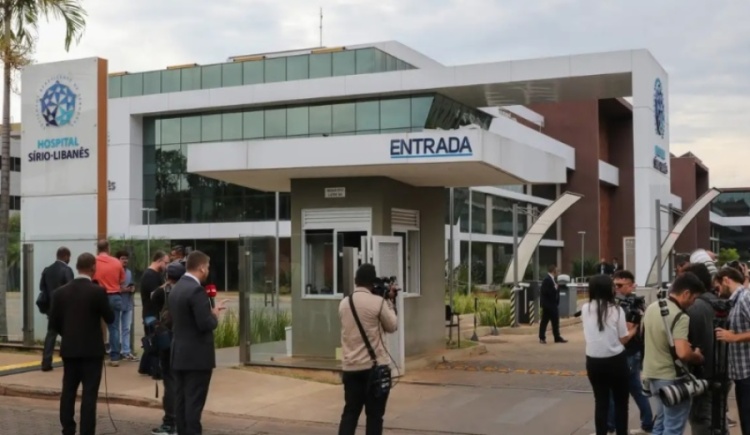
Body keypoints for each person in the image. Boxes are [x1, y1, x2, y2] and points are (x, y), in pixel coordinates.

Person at [49, 252, 115, 435]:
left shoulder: (60, 293)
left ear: (77, 267)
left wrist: (69, 334)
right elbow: (110, 318)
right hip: (92, 351)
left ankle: (68, 428)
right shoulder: (97, 291)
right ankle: (87, 431)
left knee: (68, 391)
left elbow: (53, 323)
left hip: (70, 349)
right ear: (93, 267)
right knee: (89, 394)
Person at [170, 250, 227, 435]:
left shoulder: (177, 287)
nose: (208, 271)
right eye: (208, 267)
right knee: (194, 405)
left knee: (181, 402)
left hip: (179, 354)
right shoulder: (196, 290)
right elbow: (206, 324)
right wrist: (215, 315)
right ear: (202, 267)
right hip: (196, 357)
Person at [338, 263, 398, 435]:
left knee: (350, 414)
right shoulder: (378, 303)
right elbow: (392, 326)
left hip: (351, 368)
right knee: (374, 416)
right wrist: (389, 300)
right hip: (375, 370)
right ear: (373, 283)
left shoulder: (344, 303)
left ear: (356, 281)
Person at [642, 272, 705, 435]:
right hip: (671, 378)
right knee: (673, 428)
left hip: (652, 375)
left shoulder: (652, 307)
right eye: (694, 298)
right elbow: (683, 353)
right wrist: (697, 355)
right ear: (686, 293)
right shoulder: (680, 316)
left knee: (660, 424)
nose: (693, 303)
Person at [581, 274, 637, 435]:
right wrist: (635, 329)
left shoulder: (586, 309)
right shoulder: (617, 310)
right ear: (608, 290)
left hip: (593, 361)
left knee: (601, 402)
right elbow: (623, 339)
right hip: (615, 361)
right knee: (621, 403)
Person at [605, 270, 652, 435]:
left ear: (632, 285)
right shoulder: (627, 303)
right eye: (614, 285)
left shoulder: (630, 304)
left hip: (627, 353)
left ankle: (609, 428)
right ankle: (647, 424)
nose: (616, 288)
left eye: (620, 285)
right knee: (637, 390)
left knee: (612, 391)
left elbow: (627, 333)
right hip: (632, 352)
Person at [681, 262, 721, 435]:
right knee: (718, 418)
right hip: (723, 370)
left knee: (700, 419)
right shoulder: (718, 301)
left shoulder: (694, 307)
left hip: (702, 374)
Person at [149, 262, 186, 435]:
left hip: (167, 341)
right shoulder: (188, 292)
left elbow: (153, 304)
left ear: (166, 276)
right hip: (185, 342)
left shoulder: (161, 292)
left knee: (170, 381)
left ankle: (170, 422)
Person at [714, 266, 750, 435]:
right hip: (742, 375)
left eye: (718, 286)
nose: (718, 291)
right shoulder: (736, 301)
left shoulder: (745, 298)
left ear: (726, 280)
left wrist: (734, 337)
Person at [38, 247, 74, 372]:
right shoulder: (67, 270)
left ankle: (46, 362)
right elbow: (71, 289)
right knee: (68, 335)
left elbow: (42, 287)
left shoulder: (47, 270)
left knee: (51, 335)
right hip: (64, 308)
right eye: (69, 257)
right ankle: (68, 361)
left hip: (51, 308)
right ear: (66, 256)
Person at [93, 240, 127, 367]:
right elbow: (122, 281)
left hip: (97, 296)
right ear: (108, 248)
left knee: (94, 326)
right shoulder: (117, 262)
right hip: (114, 296)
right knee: (114, 328)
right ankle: (115, 357)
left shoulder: (93, 262)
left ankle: (96, 354)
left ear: (98, 249)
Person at [139, 251, 169, 377]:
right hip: (151, 313)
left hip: (153, 312)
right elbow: (154, 294)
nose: (167, 266)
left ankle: (144, 367)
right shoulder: (150, 276)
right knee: (154, 341)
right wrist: (166, 285)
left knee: (153, 339)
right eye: (165, 263)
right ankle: (154, 369)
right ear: (159, 261)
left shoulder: (156, 274)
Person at [116, 250, 139, 362]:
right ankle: (116, 350)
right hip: (118, 303)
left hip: (128, 303)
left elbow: (131, 285)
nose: (125, 260)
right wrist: (125, 289)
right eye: (122, 258)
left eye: (126, 258)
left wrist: (132, 289)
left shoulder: (129, 272)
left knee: (126, 328)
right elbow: (114, 288)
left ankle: (126, 351)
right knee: (117, 328)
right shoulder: (115, 271)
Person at [539, 264, 567, 344]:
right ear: (553, 271)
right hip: (549, 305)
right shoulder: (547, 280)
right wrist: (555, 288)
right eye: (557, 270)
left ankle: (556, 337)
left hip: (552, 304)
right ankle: (542, 337)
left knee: (555, 321)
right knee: (545, 321)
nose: (558, 272)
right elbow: (545, 292)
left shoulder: (552, 279)